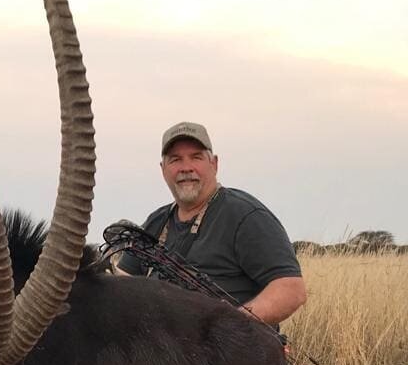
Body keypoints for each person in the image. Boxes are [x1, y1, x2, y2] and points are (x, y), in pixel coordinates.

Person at [114, 122, 306, 325]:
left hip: (227, 350)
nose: (186, 168)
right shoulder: (156, 222)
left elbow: (291, 289)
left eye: (196, 157)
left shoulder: (245, 215)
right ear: (163, 169)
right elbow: (123, 284)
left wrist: (226, 329)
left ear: (214, 164)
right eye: (175, 160)